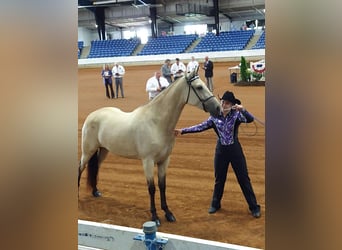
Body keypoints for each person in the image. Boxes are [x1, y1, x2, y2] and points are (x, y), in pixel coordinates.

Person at [174, 91, 261, 218]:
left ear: (232, 105)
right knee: (219, 179)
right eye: (223, 102)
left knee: (243, 178)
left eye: (227, 103)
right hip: (221, 151)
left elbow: (250, 119)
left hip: (235, 150)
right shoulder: (214, 117)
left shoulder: (237, 115)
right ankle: (215, 204)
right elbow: (200, 127)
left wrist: (243, 110)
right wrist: (183, 131)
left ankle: (254, 207)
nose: (224, 104)